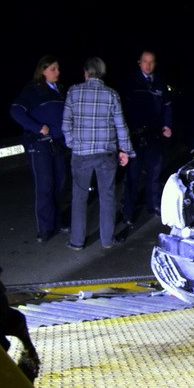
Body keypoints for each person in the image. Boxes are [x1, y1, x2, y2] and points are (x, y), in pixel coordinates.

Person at [62, 57, 134, 250]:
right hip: (106, 153)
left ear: (86, 73)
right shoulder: (111, 94)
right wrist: (125, 150)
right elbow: (121, 125)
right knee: (107, 196)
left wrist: (72, 143)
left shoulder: (73, 92)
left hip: (81, 154)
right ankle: (107, 240)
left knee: (79, 198)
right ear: (102, 73)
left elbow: (66, 123)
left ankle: (77, 241)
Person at [10, 55, 69, 243]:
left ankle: (57, 222)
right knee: (45, 186)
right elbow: (16, 111)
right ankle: (45, 228)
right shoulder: (33, 90)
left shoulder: (59, 91)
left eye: (58, 68)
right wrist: (38, 127)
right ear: (42, 71)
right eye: (53, 69)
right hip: (39, 145)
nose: (57, 72)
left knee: (59, 183)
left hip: (57, 144)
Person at [121, 50, 173, 225]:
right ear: (139, 63)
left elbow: (167, 106)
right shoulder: (131, 83)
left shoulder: (160, 83)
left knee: (154, 174)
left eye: (151, 62)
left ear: (155, 64)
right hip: (135, 137)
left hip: (154, 136)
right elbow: (123, 110)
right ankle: (129, 210)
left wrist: (167, 124)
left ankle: (154, 205)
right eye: (145, 62)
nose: (148, 65)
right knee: (132, 176)